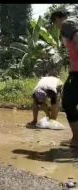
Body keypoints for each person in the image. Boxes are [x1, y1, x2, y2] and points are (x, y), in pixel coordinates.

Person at [51, 9, 78, 148]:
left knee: (68, 102)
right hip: (75, 71)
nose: (56, 26)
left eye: (55, 22)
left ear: (57, 19)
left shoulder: (67, 24)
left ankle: (76, 139)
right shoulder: (72, 24)